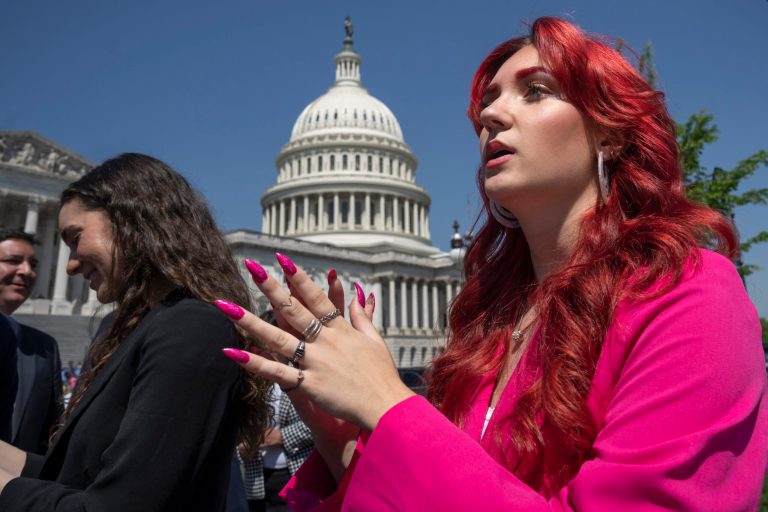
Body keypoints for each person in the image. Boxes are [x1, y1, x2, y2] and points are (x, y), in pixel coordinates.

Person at [216, 16, 768, 511]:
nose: (490, 114)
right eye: (489, 101)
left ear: (609, 129)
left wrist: (389, 406)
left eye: (535, 91)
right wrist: (343, 444)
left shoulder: (688, 293)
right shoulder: (492, 323)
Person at [0, 153, 271, 511]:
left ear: (129, 220)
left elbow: (122, 503)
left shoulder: (191, 327)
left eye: (75, 238)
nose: (70, 265)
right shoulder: (135, 329)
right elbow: (81, 473)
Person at [0, 227, 63, 455]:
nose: (26, 271)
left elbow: (51, 428)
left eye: (33, 265)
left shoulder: (44, 347)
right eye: (13, 260)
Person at [237, 381, 314, 511]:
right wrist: (242, 450)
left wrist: (281, 436)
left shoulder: (296, 381)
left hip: (297, 474)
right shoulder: (245, 389)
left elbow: (316, 425)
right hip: (258, 482)